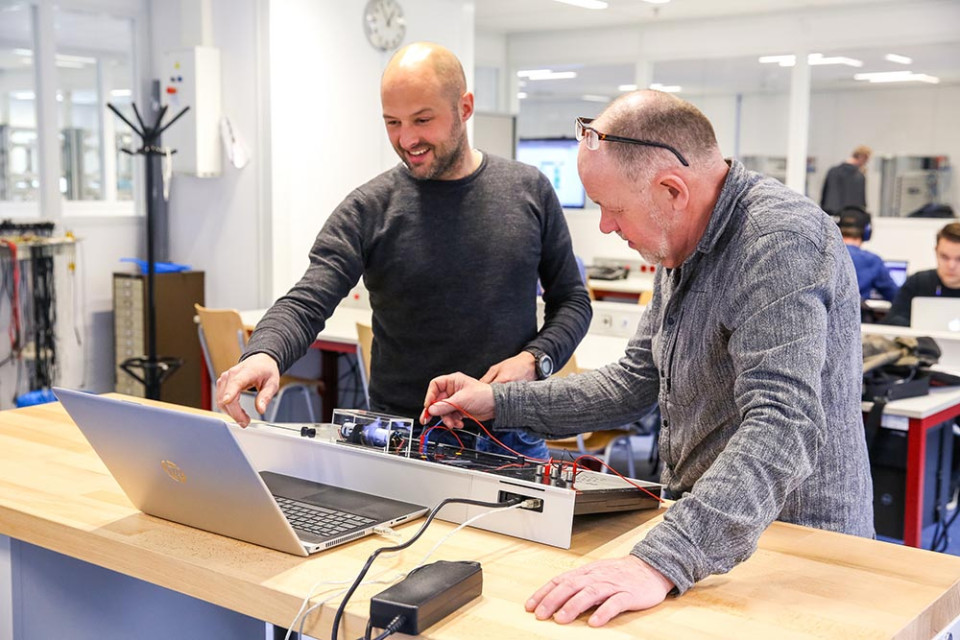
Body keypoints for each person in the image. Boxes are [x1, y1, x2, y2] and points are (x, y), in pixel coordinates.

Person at [423, 91, 874, 626]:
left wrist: (659, 561)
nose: (608, 227)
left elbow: (783, 425)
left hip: (798, 551)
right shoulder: (678, 241)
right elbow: (634, 380)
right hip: (700, 537)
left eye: (612, 209)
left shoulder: (778, 242)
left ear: (671, 190)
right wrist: (497, 401)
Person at [216, 42, 592, 459]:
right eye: (392, 122)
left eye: (422, 120)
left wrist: (534, 360)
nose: (407, 138)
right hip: (404, 441)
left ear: (464, 108)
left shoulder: (529, 190)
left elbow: (573, 301)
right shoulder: (369, 208)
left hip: (511, 437)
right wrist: (266, 352)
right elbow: (308, 299)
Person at [882, 222, 960, 326]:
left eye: (959, 259)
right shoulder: (917, 282)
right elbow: (894, 320)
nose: (951, 265)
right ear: (936, 252)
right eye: (944, 257)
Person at [837, 206, 899, 302]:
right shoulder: (872, 261)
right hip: (856, 316)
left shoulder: (821, 255)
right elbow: (895, 296)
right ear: (867, 232)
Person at [820, 145, 871, 215]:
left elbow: (824, 196)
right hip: (850, 217)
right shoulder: (859, 176)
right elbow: (861, 202)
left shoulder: (832, 171)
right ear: (862, 157)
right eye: (866, 161)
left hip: (830, 214)